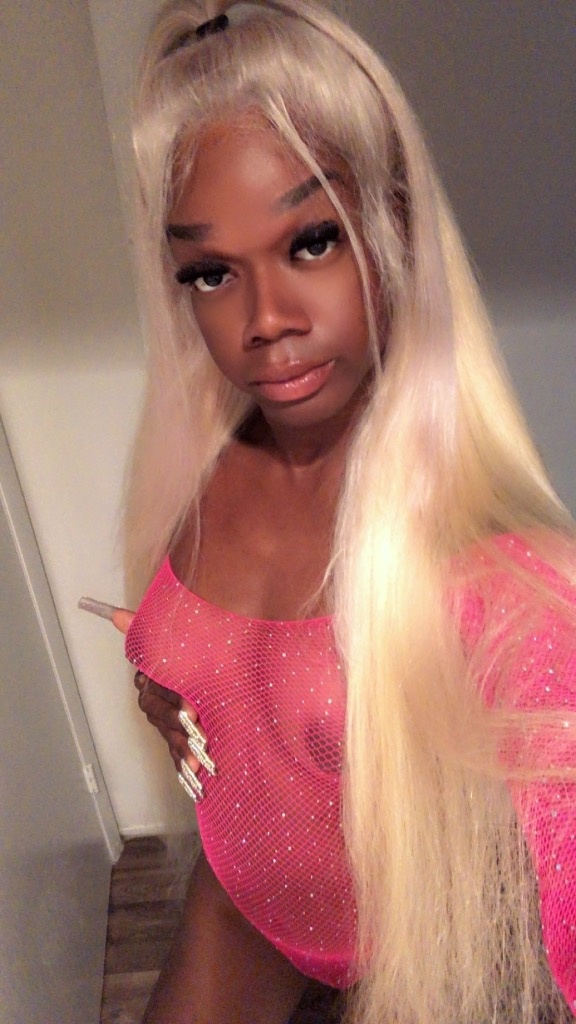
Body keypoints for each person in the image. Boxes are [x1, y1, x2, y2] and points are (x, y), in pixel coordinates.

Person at [120, 1, 576, 1021]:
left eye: (312, 241)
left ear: (393, 227)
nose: (266, 320)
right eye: (212, 271)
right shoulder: (211, 468)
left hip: (424, 950)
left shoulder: (495, 566)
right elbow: (218, 654)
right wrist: (165, 684)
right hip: (242, 908)